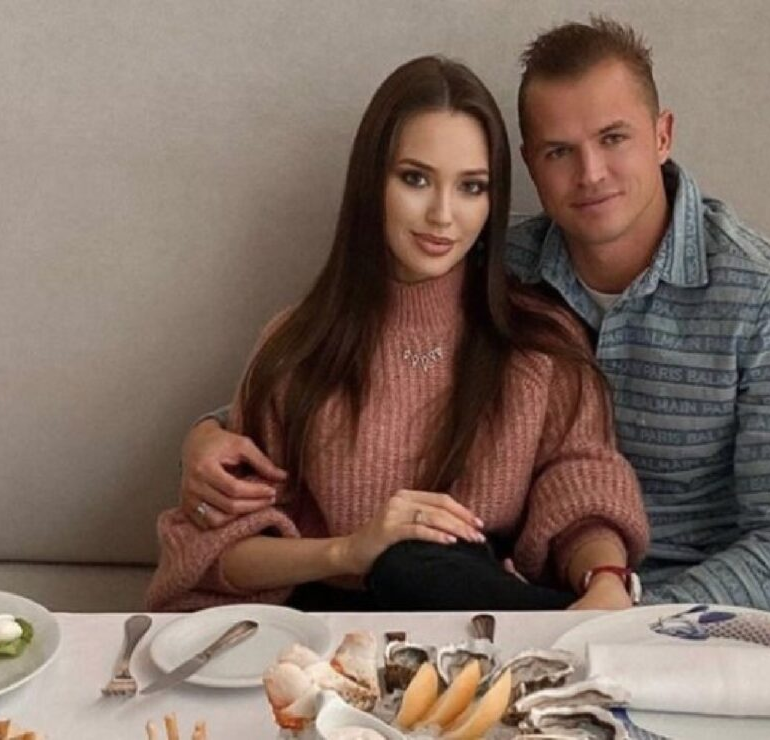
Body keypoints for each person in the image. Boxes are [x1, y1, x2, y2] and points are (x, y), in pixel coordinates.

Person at [180, 17, 770, 616]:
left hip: (691, 607)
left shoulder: (767, 292)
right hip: (524, 603)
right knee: (417, 566)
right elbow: (332, 367)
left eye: (614, 138)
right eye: (559, 151)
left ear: (662, 135)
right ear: (528, 166)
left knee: (422, 567)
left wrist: (626, 611)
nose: (591, 174)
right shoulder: (495, 263)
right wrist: (211, 433)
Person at [144, 55, 649, 613]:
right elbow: (216, 550)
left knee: (431, 561)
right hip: (329, 631)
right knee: (404, 561)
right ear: (372, 182)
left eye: (471, 187)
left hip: (485, 628)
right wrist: (350, 551)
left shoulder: (538, 343)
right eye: (415, 179)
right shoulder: (298, 346)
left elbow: (581, 486)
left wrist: (605, 580)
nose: (442, 215)